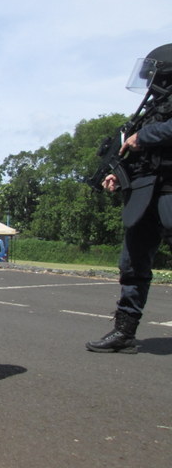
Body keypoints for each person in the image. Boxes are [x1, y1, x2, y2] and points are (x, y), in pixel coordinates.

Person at [86, 44, 172, 353]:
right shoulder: (151, 109)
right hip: (146, 193)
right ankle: (124, 331)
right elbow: (140, 155)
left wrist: (144, 137)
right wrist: (119, 174)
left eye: (153, 75)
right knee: (132, 264)